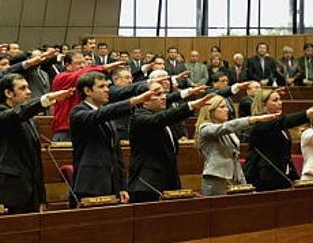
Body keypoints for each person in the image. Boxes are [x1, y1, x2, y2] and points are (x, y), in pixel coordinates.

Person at [0, 74, 74, 214]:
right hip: (7, 192)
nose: (29, 91)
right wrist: (48, 98)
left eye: (28, 87)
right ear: (8, 93)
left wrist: (41, 198)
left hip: (30, 193)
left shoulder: (31, 120)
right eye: (22, 88)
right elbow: (17, 114)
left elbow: (36, 162)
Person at [70, 71, 160, 205]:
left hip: (112, 184)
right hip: (90, 184)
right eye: (101, 87)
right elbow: (98, 115)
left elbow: (117, 155)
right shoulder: (78, 112)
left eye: (107, 86)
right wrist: (135, 100)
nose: (107, 90)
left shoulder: (109, 117)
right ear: (88, 91)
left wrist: (122, 187)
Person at [128, 90, 213, 203]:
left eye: (164, 94)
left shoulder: (163, 120)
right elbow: (159, 119)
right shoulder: (138, 117)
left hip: (168, 179)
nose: (163, 97)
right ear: (144, 100)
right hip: (147, 184)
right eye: (158, 94)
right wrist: (190, 105)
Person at [244, 89, 313, 191]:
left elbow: (285, 155)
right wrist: (307, 113)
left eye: (280, 99)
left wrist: (294, 177)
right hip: (264, 178)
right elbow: (284, 121)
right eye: (275, 100)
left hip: (281, 176)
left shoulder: (278, 124)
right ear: (263, 104)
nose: (280, 103)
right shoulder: (260, 124)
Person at [195, 95, 279, 196]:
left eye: (226, 106)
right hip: (215, 180)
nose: (227, 110)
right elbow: (226, 127)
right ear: (210, 110)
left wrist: (244, 184)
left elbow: (234, 158)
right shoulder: (205, 128)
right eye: (222, 107)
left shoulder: (229, 131)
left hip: (233, 177)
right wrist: (253, 119)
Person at [50, 52, 123, 142]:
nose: (82, 66)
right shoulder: (61, 78)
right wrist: (103, 67)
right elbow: (80, 74)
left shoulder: (84, 80)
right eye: (78, 63)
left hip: (83, 126)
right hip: (65, 129)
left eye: (83, 63)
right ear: (67, 65)